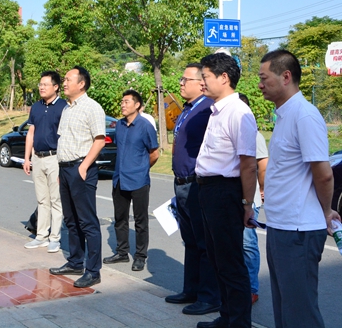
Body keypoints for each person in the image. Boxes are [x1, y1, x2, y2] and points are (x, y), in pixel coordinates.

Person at [258, 49, 341, 328]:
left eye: (264, 78)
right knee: (285, 309)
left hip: (299, 230)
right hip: (280, 226)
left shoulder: (305, 115)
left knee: (300, 313)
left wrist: (327, 211)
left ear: (286, 76)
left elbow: (324, 175)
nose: (260, 84)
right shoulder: (284, 115)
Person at [195, 52, 257, 328]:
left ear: (224, 77)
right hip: (209, 191)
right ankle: (227, 316)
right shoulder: (218, 110)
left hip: (225, 192)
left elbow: (248, 163)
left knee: (231, 262)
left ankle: (239, 323)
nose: (202, 82)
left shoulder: (238, 112)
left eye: (205, 76)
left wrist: (247, 203)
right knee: (218, 259)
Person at [165, 64, 220, 317]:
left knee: (204, 242)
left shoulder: (207, 109)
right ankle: (191, 289)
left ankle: (209, 297)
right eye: (181, 78)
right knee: (190, 241)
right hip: (181, 183)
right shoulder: (187, 109)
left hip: (197, 183)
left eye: (185, 79)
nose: (181, 83)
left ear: (201, 83)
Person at [49, 66, 105, 289]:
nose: (64, 83)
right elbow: (64, 140)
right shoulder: (67, 108)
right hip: (65, 169)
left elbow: (99, 140)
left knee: (87, 221)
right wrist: (60, 170)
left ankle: (93, 270)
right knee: (71, 219)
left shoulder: (92, 107)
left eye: (68, 80)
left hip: (81, 168)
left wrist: (83, 166)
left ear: (81, 84)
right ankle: (75, 261)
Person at [104, 89, 159, 272]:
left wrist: (142, 168)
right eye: (122, 101)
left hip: (138, 180)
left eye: (127, 101)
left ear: (137, 105)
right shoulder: (119, 125)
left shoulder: (145, 126)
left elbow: (154, 153)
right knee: (120, 218)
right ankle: (121, 252)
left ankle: (140, 256)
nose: (123, 104)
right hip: (119, 178)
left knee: (140, 220)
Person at [22, 71, 66, 253]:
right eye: (40, 84)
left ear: (55, 87)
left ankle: (55, 238)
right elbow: (31, 133)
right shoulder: (36, 107)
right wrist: (27, 158)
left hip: (55, 158)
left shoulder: (64, 107)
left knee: (56, 200)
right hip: (37, 157)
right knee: (42, 200)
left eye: (45, 84)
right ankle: (41, 236)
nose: (41, 87)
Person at [238, 93, 267, 306]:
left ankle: (251, 288)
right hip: (229, 197)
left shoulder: (255, 135)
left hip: (250, 198)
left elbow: (262, 165)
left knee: (247, 243)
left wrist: (262, 189)